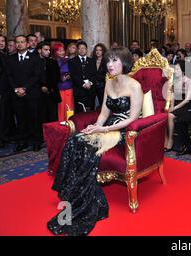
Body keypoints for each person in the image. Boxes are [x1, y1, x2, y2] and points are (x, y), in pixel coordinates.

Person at [47, 47, 143, 236]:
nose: (109, 65)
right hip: (107, 125)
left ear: (123, 62)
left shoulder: (134, 86)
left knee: (86, 147)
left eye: (114, 61)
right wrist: (95, 126)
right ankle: (73, 195)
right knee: (74, 140)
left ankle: (88, 201)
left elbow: (132, 119)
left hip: (122, 130)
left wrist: (104, 129)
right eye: (108, 61)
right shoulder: (109, 83)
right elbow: (104, 113)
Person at [6, 35, 44, 152]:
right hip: (17, 95)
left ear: (27, 44)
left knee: (34, 118)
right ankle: (22, 142)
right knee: (21, 119)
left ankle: (36, 142)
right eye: (17, 42)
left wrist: (25, 88)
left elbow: (36, 76)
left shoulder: (35, 58)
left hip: (31, 94)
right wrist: (16, 89)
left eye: (22, 42)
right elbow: (9, 76)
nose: (19, 44)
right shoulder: (11, 58)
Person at [164, 60, 191, 152]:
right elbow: (172, 95)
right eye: (174, 69)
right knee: (165, 113)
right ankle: (166, 138)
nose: (175, 71)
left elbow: (188, 99)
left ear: (183, 70)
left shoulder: (189, 81)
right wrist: (171, 106)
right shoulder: (174, 80)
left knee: (170, 115)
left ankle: (171, 140)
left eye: (177, 69)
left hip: (186, 105)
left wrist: (175, 108)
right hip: (176, 104)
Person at [68, 41, 97, 112]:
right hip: (79, 90)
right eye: (80, 48)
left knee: (90, 111)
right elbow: (73, 75)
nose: (82, 50)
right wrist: (83, 84)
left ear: (87, 49)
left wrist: (90, 83)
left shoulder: (92, 61)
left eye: (83, 48)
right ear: (77, 50)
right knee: (80, 111)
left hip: (90, 90)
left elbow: (94, 74)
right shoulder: (72, 61)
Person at [38, 41, 61, 123]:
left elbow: (57, 77)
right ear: (39, 50)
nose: (48, 52)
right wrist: (41, 87)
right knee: (41, 117)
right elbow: (32, 77)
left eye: (49, 50)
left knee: (53, 117)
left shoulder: (53, 62)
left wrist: (48, 87)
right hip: (38, 94)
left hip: (52, 93)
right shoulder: (34, 62)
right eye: (46, 49)